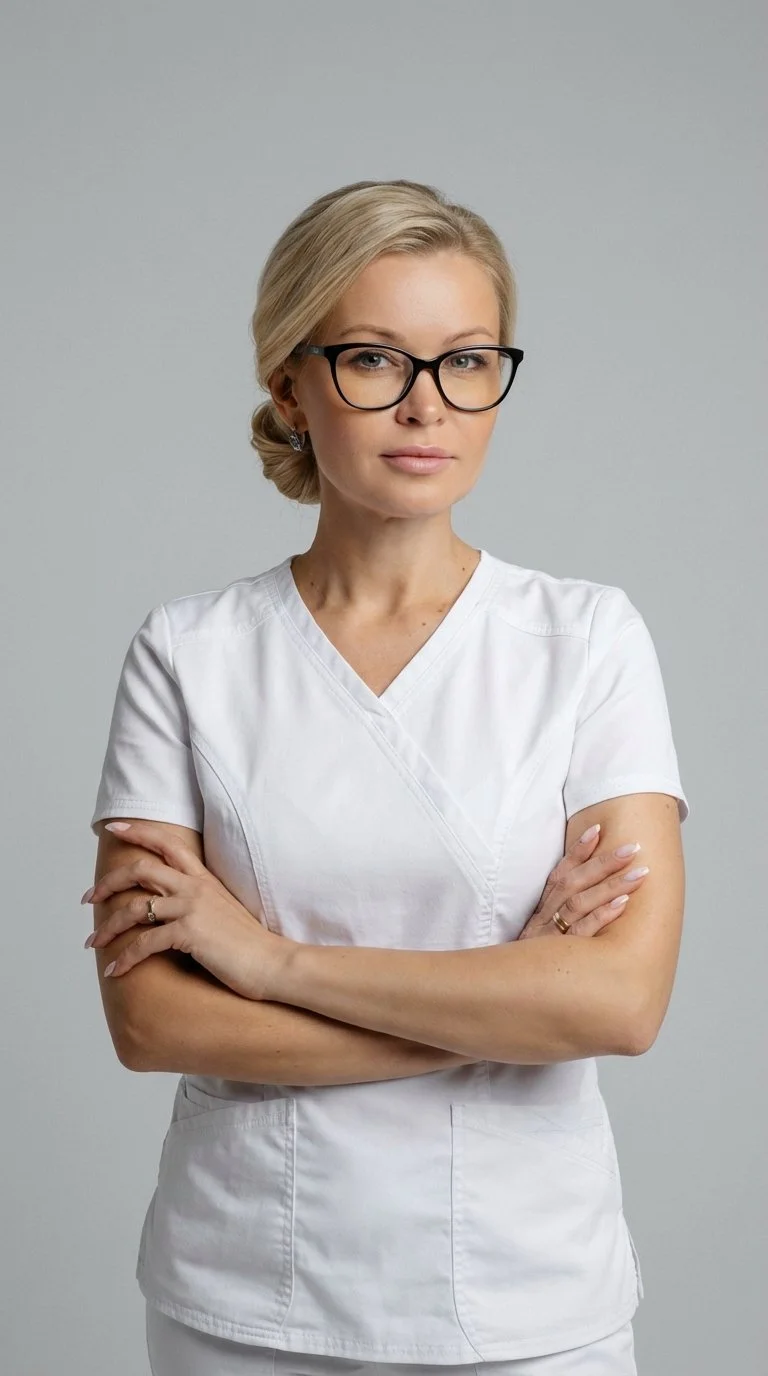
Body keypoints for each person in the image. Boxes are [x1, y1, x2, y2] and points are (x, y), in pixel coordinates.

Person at [85, 179, 689, 1376]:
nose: (427, 403)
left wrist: (270, 963)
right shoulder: (190, 653)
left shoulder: (586, 640)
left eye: (467, 360)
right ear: (289, 386)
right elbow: (150, 1020)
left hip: (528, 1298)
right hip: (247, 1292)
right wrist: (507, 1008)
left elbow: (619, 1001)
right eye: (373, 358)